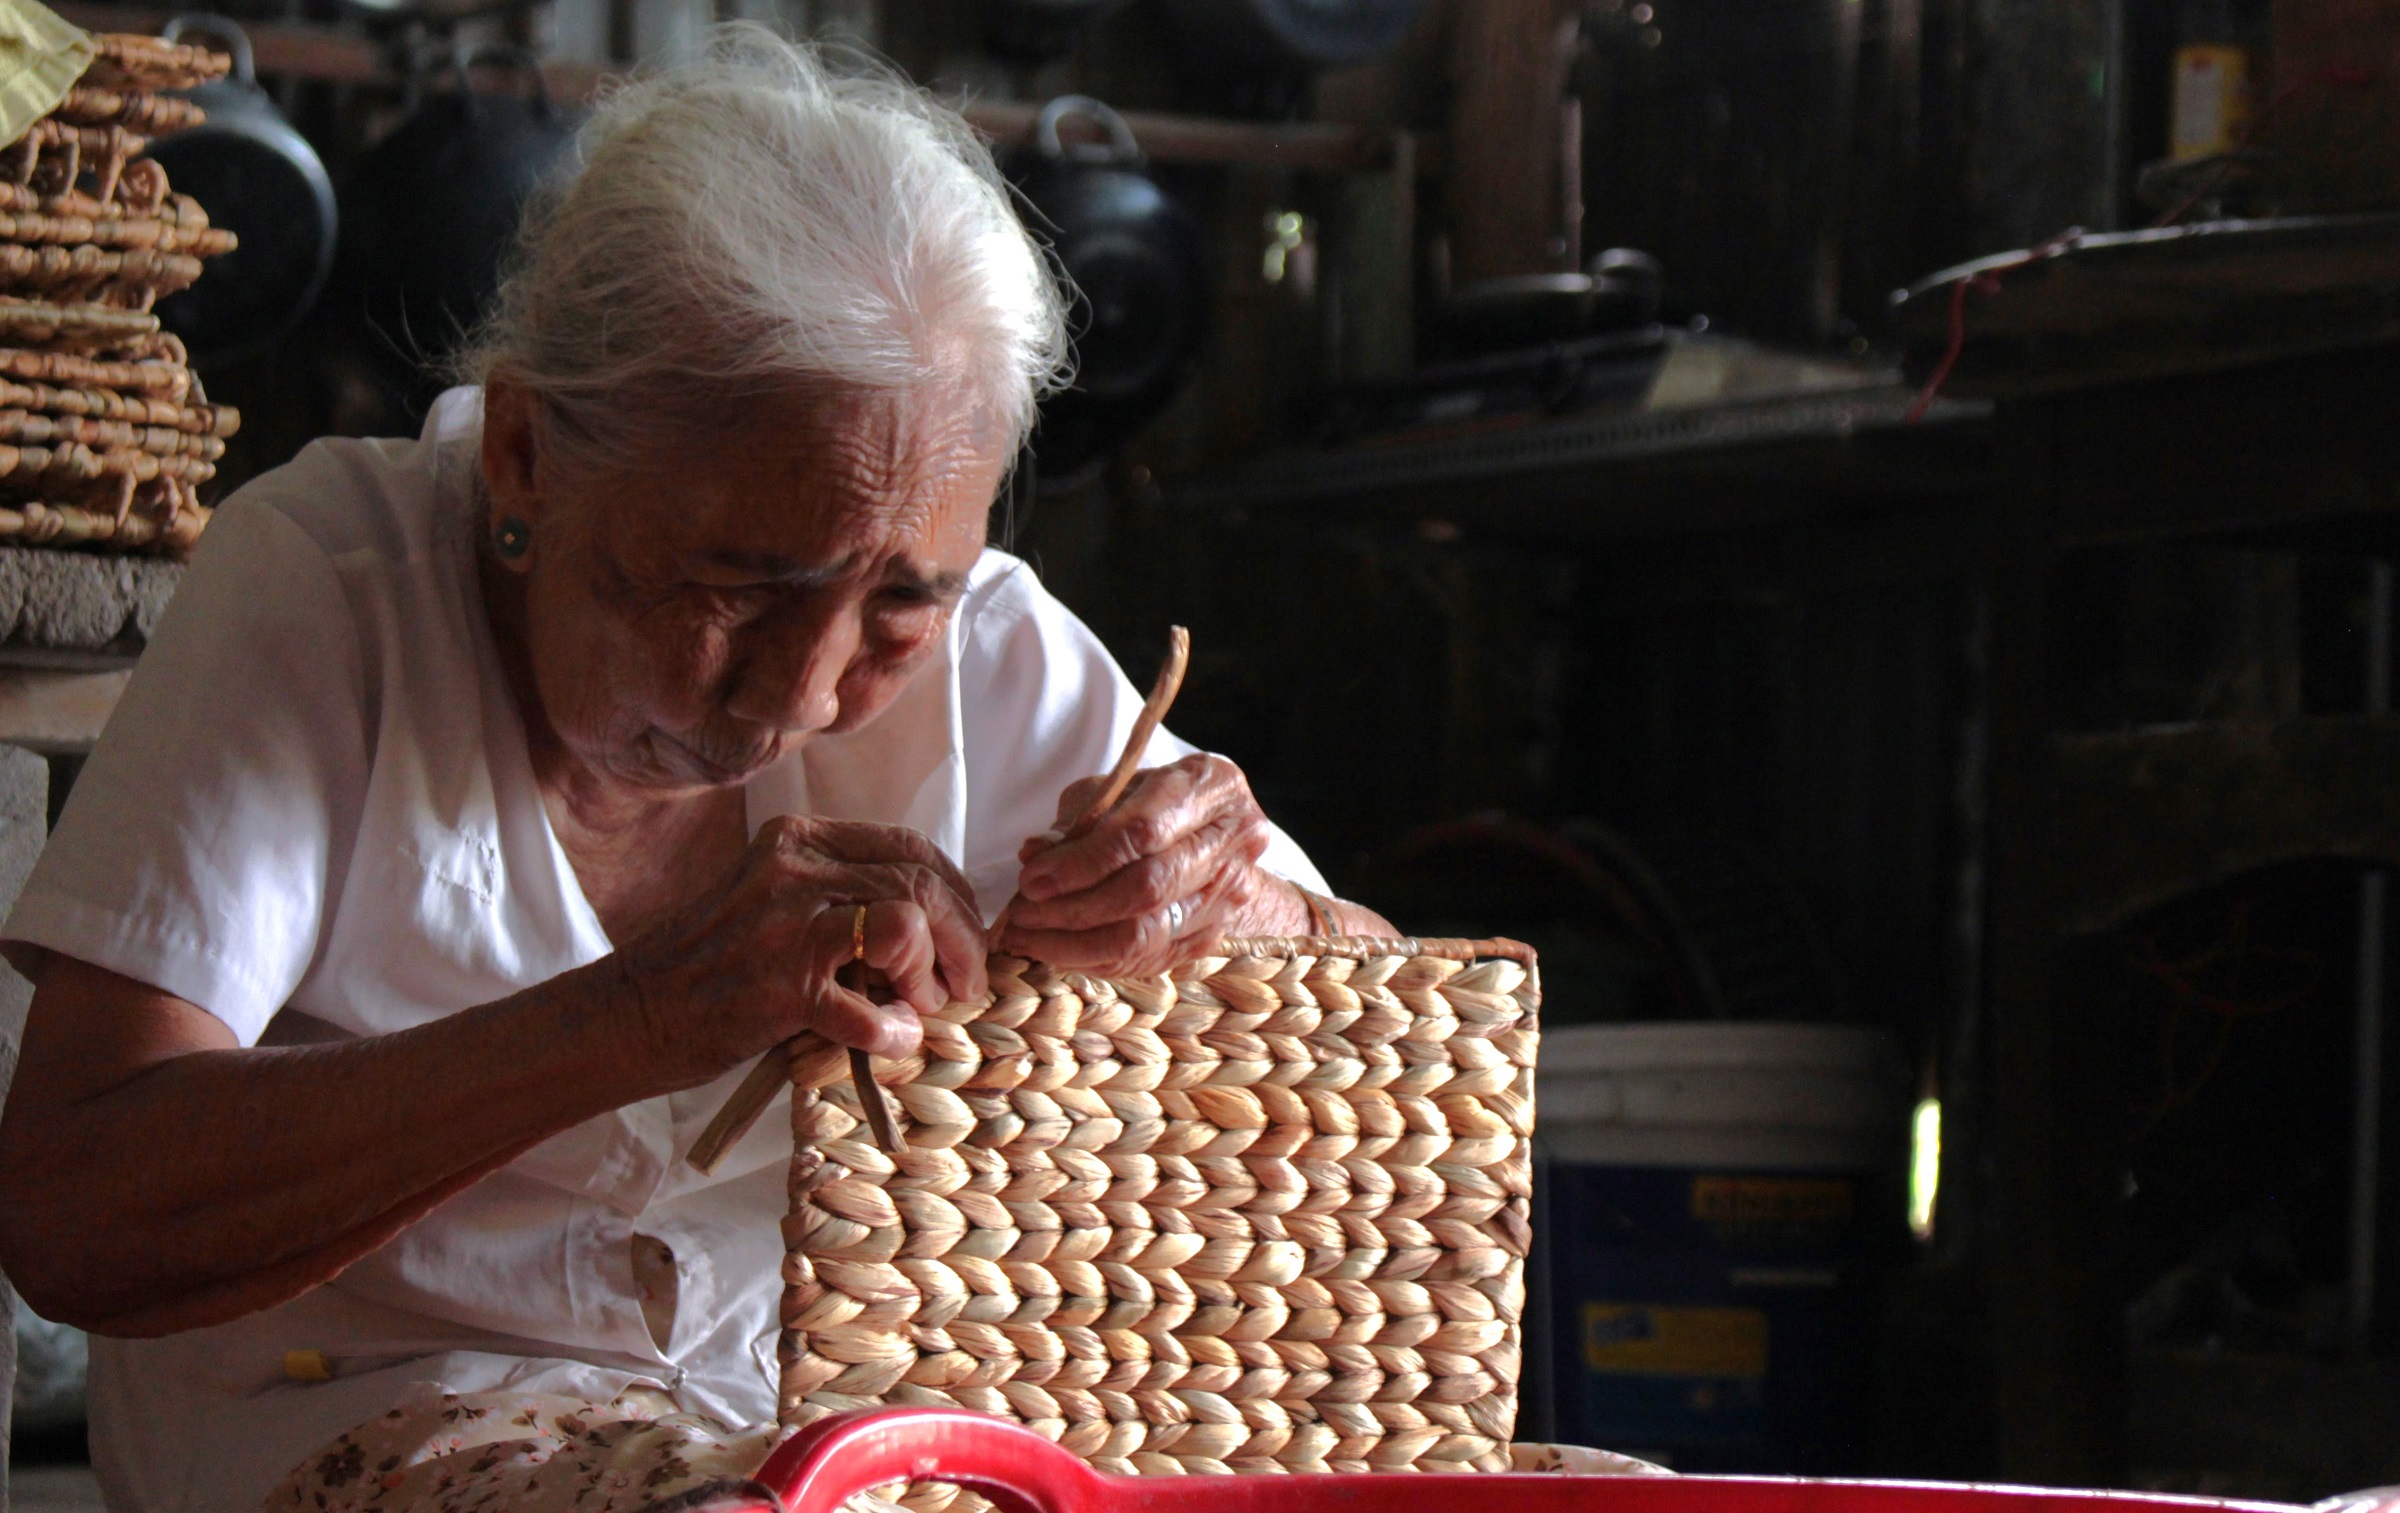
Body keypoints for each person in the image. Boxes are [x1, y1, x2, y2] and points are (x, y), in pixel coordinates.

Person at [0, 31, 1395, 1512]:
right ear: (529, 455)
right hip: (351, 1431)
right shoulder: (335, 590)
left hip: (813, 1450)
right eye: (734, 583)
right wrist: (643, 1017)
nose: (797, 697)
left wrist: (1242, 904)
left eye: (899, 607)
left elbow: (1394, 1021)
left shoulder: (992, 649)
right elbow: (77, 1206)